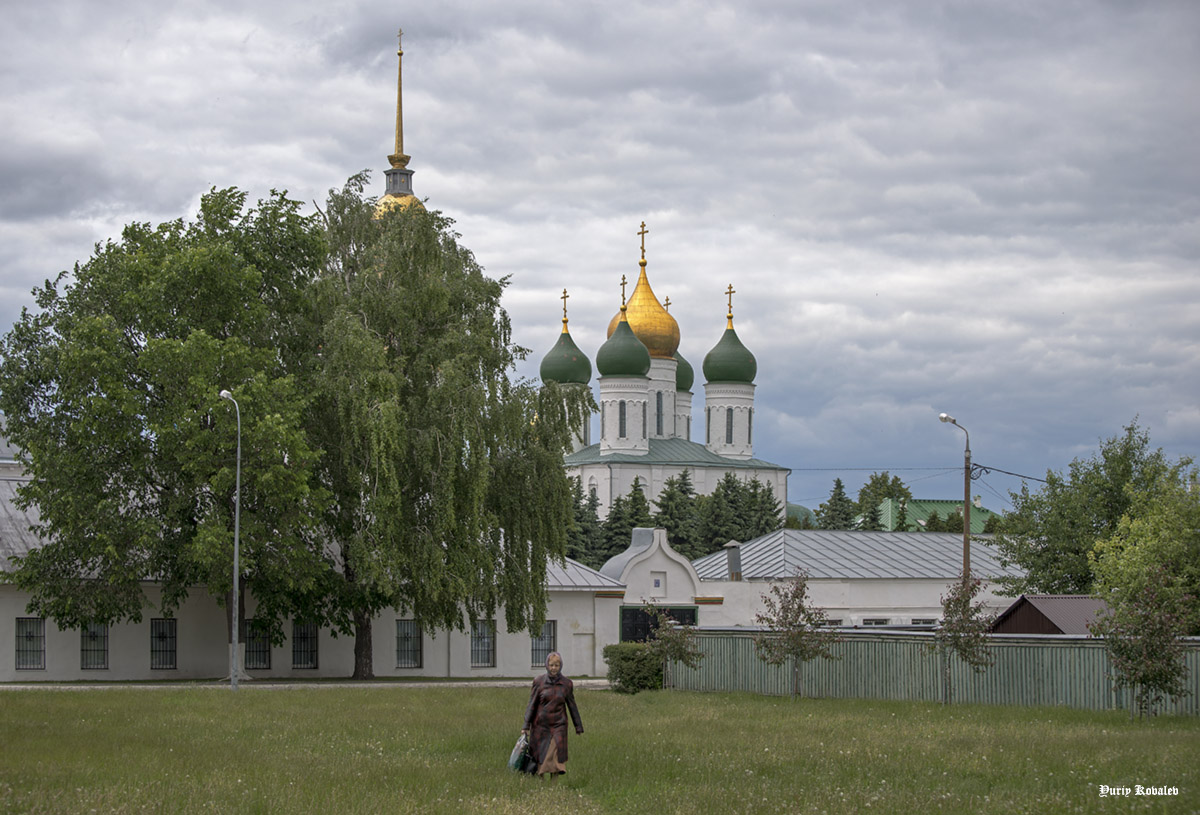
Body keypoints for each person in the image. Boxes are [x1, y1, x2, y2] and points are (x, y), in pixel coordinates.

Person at [522, 651, 583, 779]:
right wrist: (526, 725)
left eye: (556, 665)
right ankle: (541, 782)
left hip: (559, 725)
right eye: (551, 665)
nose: (554, 668)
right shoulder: (539, 682)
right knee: (541, 755)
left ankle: (554, 784)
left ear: (560, 666)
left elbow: (572, 705)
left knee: (555, 755)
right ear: (547, 665)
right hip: (540, 725)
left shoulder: (567, 684)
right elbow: (531, 704)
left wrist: (578, 726)